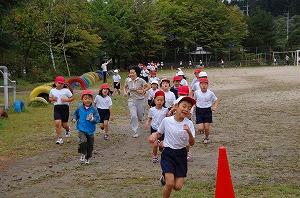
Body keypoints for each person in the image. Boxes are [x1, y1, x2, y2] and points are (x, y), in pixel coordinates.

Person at [148, 96, 196, 198]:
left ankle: (164, 178)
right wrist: (153, 136)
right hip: (168, 153)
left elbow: (192, 143)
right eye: (184, 106)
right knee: (170, 184)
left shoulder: (189, 124)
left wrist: (189, 132)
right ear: (176, 107)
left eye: (189, 108)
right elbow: (159, 133)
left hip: (182, 154)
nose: (186, 109)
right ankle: (166, 179)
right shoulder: (167, 121)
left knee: (177, 187)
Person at [73, 90, 100, 164]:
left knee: (90, 145)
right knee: (83, 141)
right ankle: (82, 153)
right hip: (81, 129)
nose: (87, 100)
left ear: (92, 99)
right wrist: (74, 118)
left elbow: (98, 119)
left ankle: (87, 158)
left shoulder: (94, 109)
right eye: (85, 98)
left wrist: (93, 119)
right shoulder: (80, 108)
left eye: (89, 98)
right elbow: (75, 114)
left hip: (90, 130)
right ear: (82, 99)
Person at [124, 66, 149, 138]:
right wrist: (125, 92)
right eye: (130, 73)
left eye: (133, 72)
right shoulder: (127, 80)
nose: (131, 74)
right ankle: (135, 131)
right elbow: (125, 87)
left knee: (140, 116)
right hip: (131, 100)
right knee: (134, 116)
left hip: (140, 100)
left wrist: (143, 91)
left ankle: (141, 118)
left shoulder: (141, 80)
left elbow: (148, 86)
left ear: (136, 73)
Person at [144, 90, 169, 163]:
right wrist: (147, 122)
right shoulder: (152, 109)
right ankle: (155, 156)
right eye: (158, 100)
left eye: (161, 100)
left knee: (162, 145)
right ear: (154, 100)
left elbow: (168, 118)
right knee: (155, 144)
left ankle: (161, 148)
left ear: (164, 101)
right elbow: (150, 118)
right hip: (154, 129)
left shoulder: (166, 110)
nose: (159, 102)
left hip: (163, 130)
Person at [49, 76, 74, 145]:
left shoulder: (66, 90)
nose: (60, 84)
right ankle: (59, 138)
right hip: (57, 108)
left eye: (62, 83)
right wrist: (53, 99)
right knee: (57, 123)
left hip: (65, 108)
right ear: (55, 83)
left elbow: (72, 98)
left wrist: (67, 100)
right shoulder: (52, 90)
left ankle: (68, 129)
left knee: (64, 124)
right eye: (59, 83)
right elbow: (50, 98)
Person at [194, 78, 219, 144]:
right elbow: (194, 100)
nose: (204, 86)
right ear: (199, 85)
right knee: (200, 128)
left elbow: (216, 100)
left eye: (205, 84)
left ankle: (206, 138)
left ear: (207, 85)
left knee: (207, 128)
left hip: (208, 110)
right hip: (199, 110)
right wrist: (192, 107)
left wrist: (215, 106)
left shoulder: (210, 93)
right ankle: (201, 129)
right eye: (202, 84)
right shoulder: (196, 92)